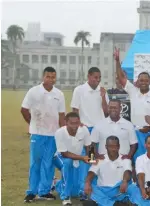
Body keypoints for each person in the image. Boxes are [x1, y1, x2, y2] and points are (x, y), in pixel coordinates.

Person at [21, 67, 66, 202]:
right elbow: (23, 110)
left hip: (53, 135)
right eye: (48, 77)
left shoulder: (59, 94)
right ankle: (31, 192)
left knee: (48, 164)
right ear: (43, 77)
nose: (51, 80)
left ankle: (44, 191)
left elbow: (62, 115)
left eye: (53, 77)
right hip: (38, 134)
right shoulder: (33, 92)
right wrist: (32, 124)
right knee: (36, 163)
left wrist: (62, 133)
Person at [113, 47, 150, 165]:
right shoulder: (133, 91)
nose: (143, 82)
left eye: (145, 80)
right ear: (137, 81)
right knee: (137, 161)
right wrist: (117, 61)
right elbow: (121, 78)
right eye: (141, 80)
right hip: (135, 132)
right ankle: (138, 183)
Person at [71, 66, 109, 199]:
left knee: (95, 160)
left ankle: (91, 188)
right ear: (89, 76)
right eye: (95, 77)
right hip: (86, 130)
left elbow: (106, 112)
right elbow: (75, 109)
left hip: (98, 131)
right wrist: (78, 123)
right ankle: (83, 190)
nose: (97, 80)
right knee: (86, 160)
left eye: (99, 78)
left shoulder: (102, 91)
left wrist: (103, 97)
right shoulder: (79, 90)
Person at [54, 112, 92, 205]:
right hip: (60, 158)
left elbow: (89, 147)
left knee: (88, 163)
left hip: (77, 157)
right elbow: (64, 153)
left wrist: (91, 160)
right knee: (67, 163)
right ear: (66, 122)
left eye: (77, 123)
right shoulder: (59, 132)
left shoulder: (84, 129)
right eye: (72, 123)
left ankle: (82, 192)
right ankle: (65, 197)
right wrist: (83, 158)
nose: (75, 126)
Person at [83, 136, 133, 206]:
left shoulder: (125, 159)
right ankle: (112, 204)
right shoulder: (100, 159)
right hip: (102, 191)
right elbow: (91, 172)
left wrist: (124, 181)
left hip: (118, 191)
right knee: (85, 186)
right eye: (110, 146)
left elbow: (128, 171)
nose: (113, 149)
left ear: (119, 147)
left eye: (115, 146)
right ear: (106, 147)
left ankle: (102, 202)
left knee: (132, 187)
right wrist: (87, 182)